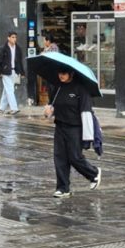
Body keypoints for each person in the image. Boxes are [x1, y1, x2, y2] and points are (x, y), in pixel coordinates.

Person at [44, 68, 101, 198]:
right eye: (59, 73)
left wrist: (88, 137)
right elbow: (52, 106)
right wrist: (48, 112)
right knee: (59, 158)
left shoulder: (81, 89)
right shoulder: (57, 88)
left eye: (63, 73)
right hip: (60, 127)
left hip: (75, 128)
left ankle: (93, 173)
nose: (61, 76)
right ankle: (63, 188)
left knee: (75, 157)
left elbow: (86, 113)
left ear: (71, 74)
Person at [0, 31, 24, 115]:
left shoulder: (18, 48)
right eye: (12, 37)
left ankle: (1, 108)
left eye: (15, 37)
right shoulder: (3, 48)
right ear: (8, 38)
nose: (14, 39)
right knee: (10, 89)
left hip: (14, 71)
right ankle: (14, 108)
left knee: (7, 90)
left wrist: (22, 72)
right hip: (5, 72)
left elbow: (19, 61)